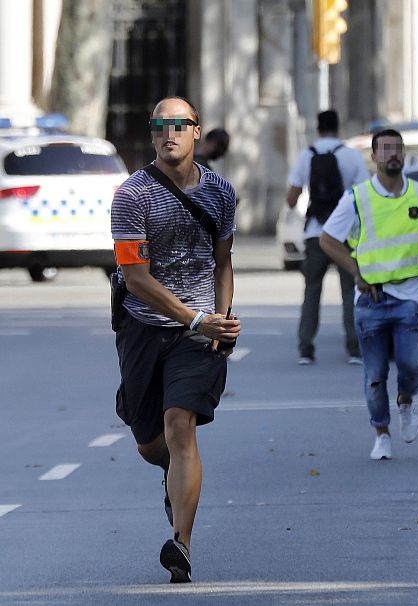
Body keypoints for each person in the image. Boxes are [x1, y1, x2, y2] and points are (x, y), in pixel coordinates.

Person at [110, 96, 240, 583]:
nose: (169, 133)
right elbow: (136, 276)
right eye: (159, 126)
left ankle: (181, 545)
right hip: (144, 327)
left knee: (180, 425)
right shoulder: (132, 196)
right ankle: (174, 478)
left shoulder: (221, 193)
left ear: (196, 132)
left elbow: (222, 261)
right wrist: (195, 319)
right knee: (150, 443)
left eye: (178, 125)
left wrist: (221, 318)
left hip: (198, 331)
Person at [320, 129, 418, 460]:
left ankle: (406, 401)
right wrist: (356, 273)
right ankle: (382, 433)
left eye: (397, 148)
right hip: (372, 300)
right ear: (374, 157)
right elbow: (328, 239)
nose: (392, 154)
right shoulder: (356, 198)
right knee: (375, 375)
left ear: (403, 155)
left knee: (410, 366)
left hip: (409, 296)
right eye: (385, 149)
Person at [287, 109, 370, 365]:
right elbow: (365, 196)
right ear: (338, 128)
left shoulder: (307, 155)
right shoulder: (351, 156)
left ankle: (305, 348)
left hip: (315, 233)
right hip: (346, 235)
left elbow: (291, 199)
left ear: (318, 128)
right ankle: (355, 349)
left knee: (311, 290)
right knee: (350, 290)